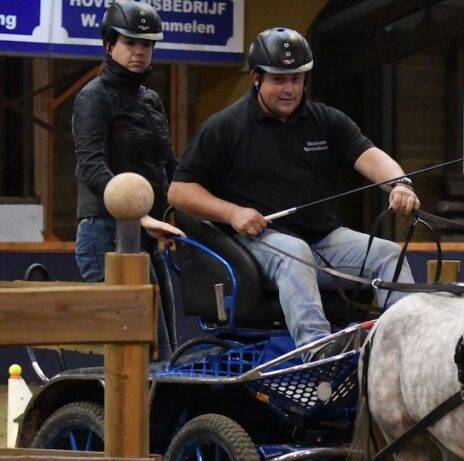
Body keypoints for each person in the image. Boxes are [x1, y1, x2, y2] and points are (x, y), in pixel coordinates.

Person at [168, 27, 420, 359]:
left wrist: (401, 183)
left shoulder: (326, 120)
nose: (289, 89)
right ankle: (319, 355)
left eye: (296, 79)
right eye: (278, 79)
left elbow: (370, 157)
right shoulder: (225, 126)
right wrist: (233, 213)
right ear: (256, 78)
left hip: (325, 240)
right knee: (295, 252)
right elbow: (179, 192)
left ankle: (406, 353)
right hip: (260, 241)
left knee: (388, 254)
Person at [72, 0, 183, 357]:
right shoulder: (93, 97)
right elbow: (92, 165)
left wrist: (187, 210)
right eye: (130, 42)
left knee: (166, 354)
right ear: (109, 44)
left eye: (146, 44)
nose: (139, 51)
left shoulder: (151, 100)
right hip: (107, 234)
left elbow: (168, 164)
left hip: (148, 236)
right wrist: (139, 215)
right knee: (141, 354)